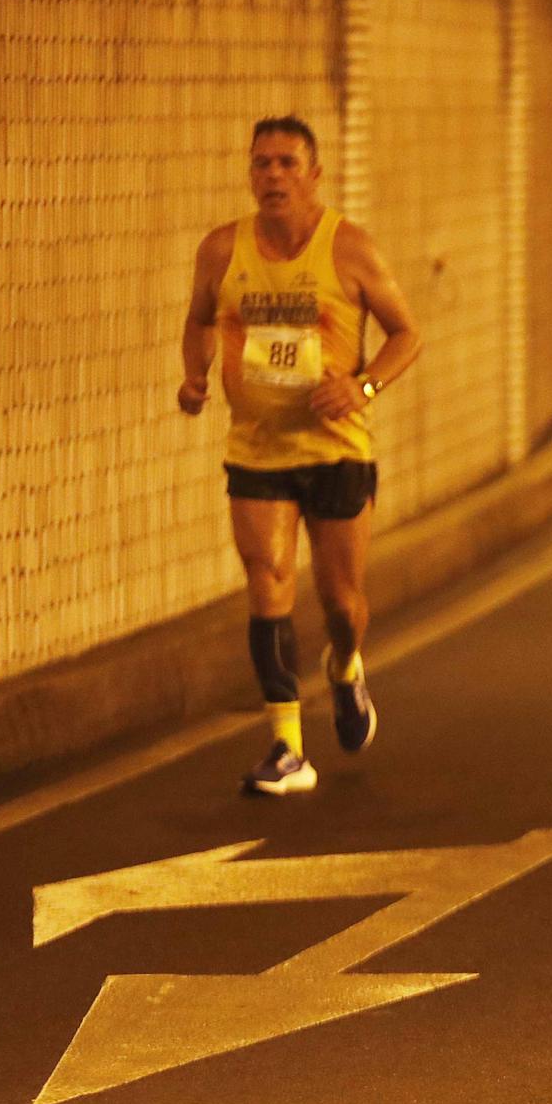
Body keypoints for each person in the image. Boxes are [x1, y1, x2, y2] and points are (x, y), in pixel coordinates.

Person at [178, 116, 422, 795]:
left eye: (288, 163)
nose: (273, 175)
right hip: (256, 450)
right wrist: (196, 376)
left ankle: (344, 667)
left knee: (342, 603)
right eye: (261, 163)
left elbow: (407, 334)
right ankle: (287, 746)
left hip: (337, 449)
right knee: (269, 581)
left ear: (315, 175)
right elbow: (199, 318)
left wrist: (363, 384)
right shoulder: (223, 249)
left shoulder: (350, 250)